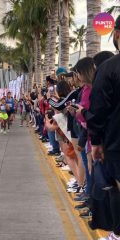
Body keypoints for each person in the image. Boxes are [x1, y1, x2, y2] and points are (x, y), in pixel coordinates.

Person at [78, 16, 120, 239]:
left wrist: (95, 142)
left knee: (114, 189)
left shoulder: (109, 69)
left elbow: (98, 112)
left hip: (115, 144)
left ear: (117, 35)